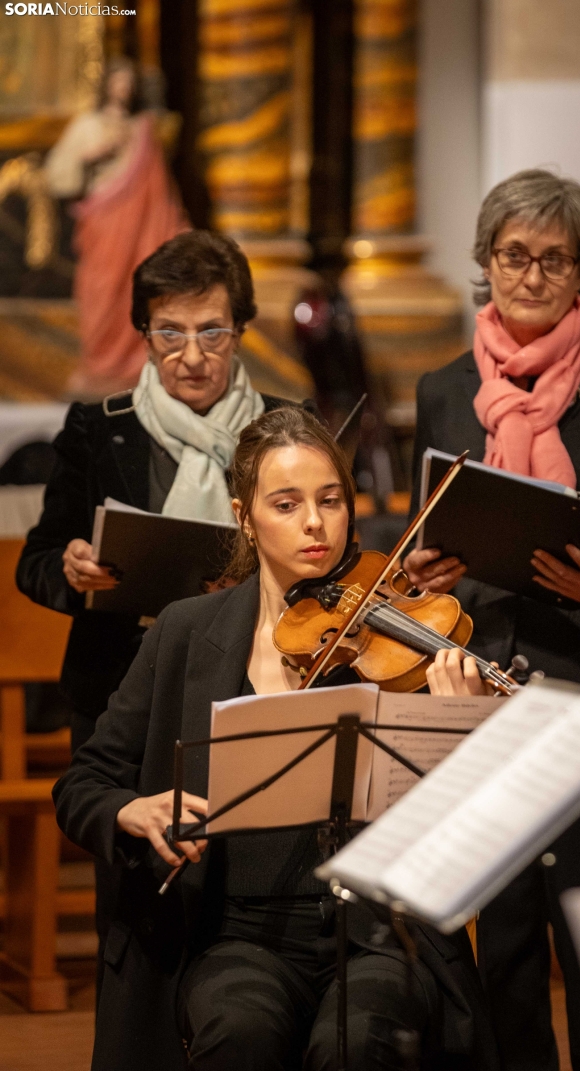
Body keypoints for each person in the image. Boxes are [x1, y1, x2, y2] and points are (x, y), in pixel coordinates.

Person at [52, 406, 499, 1071]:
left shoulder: (395, 643)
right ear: (243, 515)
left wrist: (459, 730)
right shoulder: (183, 631)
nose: (315, 523)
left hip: (378, 932)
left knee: (358, 1041)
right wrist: (133, 808)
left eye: (330, 500)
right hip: (234, 934)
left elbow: (462, 841)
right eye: (286, 504)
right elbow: (83, 782)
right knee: (240, 1031)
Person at [402, 169, 580, 1071]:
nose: (530, 276)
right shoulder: (443, 389)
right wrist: (423, 569)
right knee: (508, 939)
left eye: (553, 260)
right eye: (513, 255)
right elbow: (423, 536)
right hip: (480, 685)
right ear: (486, 263)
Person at [17, 228, 313, 994]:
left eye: (211, 330)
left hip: (253, 681)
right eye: (169, 332)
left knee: (248, 885)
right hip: (125, 690)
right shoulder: (98, 425)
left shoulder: (284, 429)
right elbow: (38, 560)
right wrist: (74, 569)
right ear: (144, 333)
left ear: (239, 329)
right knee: (140, 902)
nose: (191, 354)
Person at [44, 56, 187, 395]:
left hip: (140, 228)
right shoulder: (87, 125)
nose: (123, 88)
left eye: (129, 82)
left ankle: (134, 372)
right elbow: (56, 175)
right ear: (106, 84)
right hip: (102, 225)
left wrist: (176, 227)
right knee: (100, 292)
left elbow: (161, 192)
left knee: (136, 291)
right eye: (118, 81)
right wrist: (91, 157)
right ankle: (99, 367)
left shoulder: (143, 129)